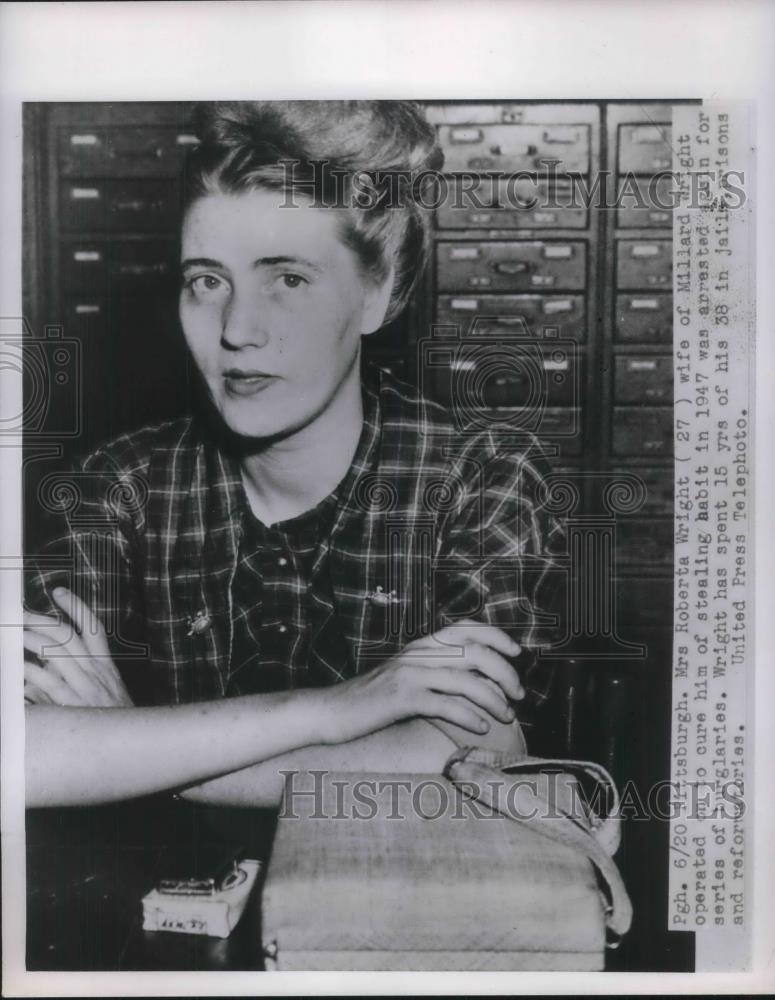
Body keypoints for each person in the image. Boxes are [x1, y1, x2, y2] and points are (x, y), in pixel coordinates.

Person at [23, 101, 565, 809]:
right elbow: (23, 753)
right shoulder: (117, 484)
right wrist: (335, 709)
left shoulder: (482, 474)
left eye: (288, 279)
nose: (238, 330)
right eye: (207, 281)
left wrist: (127, 751)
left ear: (378, 293)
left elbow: (478, 761)